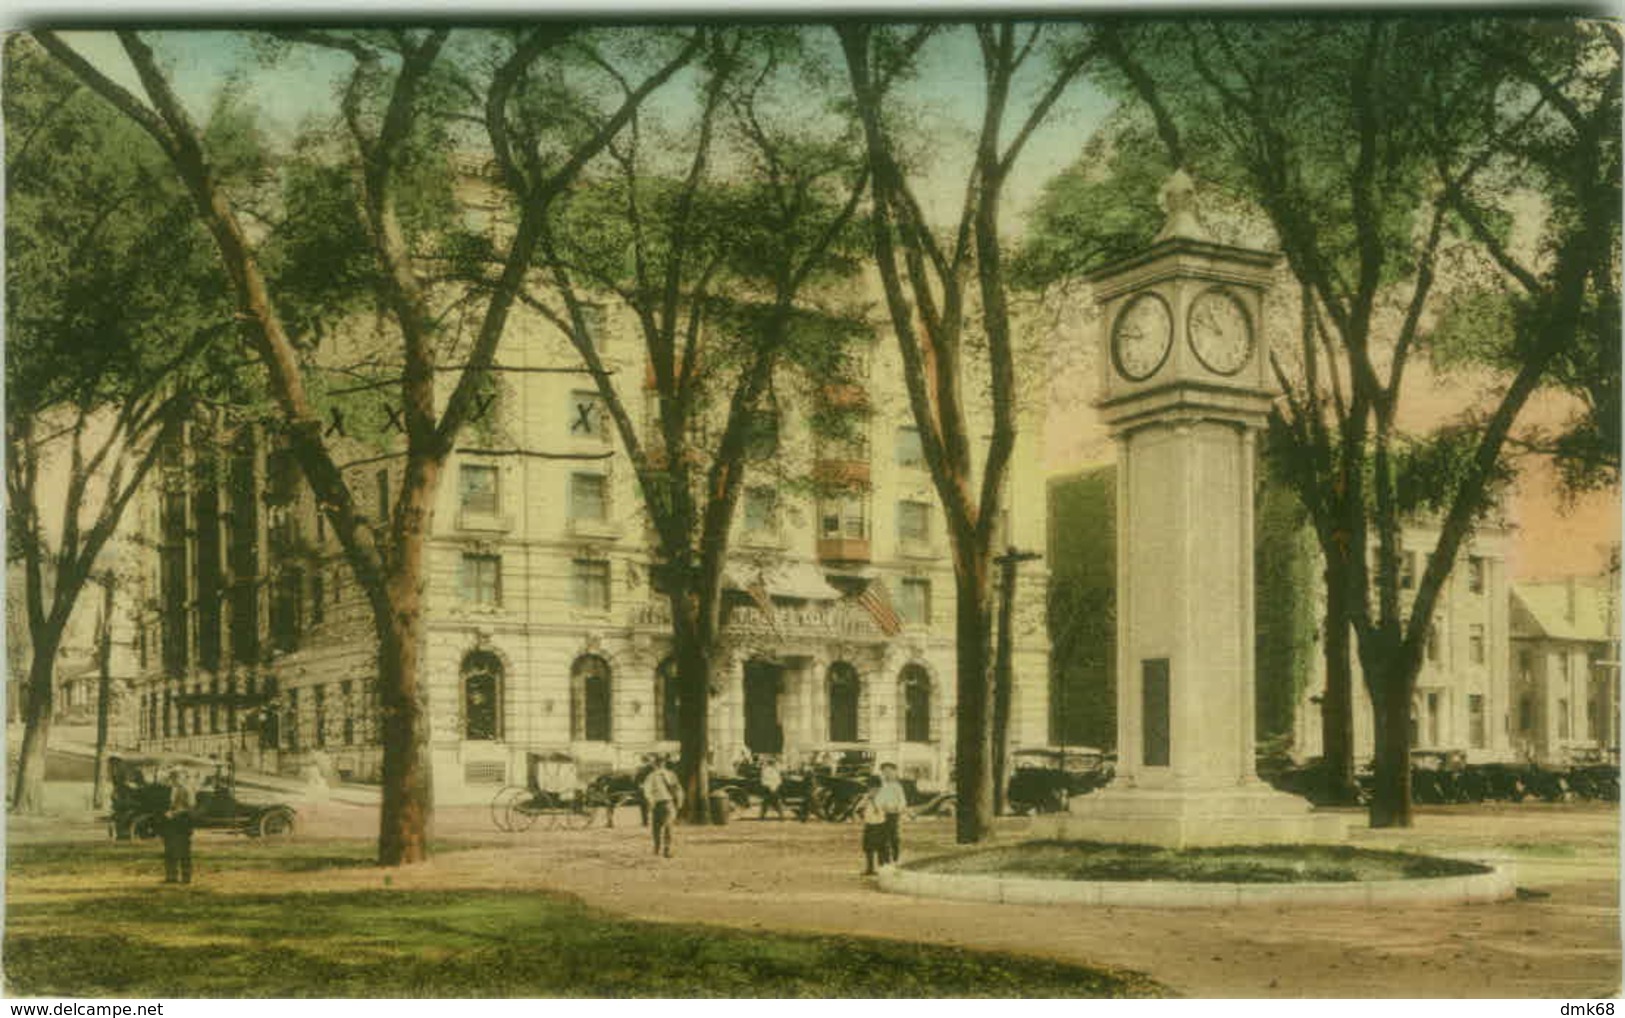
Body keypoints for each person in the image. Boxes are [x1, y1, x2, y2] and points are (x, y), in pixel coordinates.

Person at [641, 755, 683, 858]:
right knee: (663, 827)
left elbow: (647, 791)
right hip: (665, 803)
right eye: (660, 763)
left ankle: (661, 848)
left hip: (663, 803)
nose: (660, 765)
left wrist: (651, 802)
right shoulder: (667, 775)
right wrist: (679, 802)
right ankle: (662, 848)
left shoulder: (654, 776)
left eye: (660, 763)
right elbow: (678, 789)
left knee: (661, 827)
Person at [160, 768, 195, 885]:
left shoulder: (187, 790)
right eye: (173, 777)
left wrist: (174, 813)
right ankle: (171, 876)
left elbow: (190, 807)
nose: (174, 780)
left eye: (177, 777)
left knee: (184, 851)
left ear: (182, 778)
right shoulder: (171, 790)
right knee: (169, 850)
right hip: (171, 823)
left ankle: (186, 877)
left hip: (183, 823)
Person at [874, 762, 908, 864]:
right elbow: (877, 799)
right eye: (885, 772)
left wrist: (898, 808)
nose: (887, 774)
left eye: (889, 772)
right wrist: (880, 807)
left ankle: (896, 858)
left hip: (893, 814)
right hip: (881, 814)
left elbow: (902, 800)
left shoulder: (897, 786)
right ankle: (884, 861)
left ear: (894, 772)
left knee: (894, 837)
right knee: (882, 837)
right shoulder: (880, 786)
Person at [856, 775, 890, 875]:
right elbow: (858, 809)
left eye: (875, 788)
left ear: (879, 787)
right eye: (871, 787)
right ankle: (870, 868)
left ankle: (882, 868)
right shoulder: (866, 797)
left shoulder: (883, 796)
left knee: (881, 848)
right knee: (868, 848)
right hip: (869, 824)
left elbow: (886, 809)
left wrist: (875, 802)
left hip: (880, 824)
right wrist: (864, 805)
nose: (873, 790)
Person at [757, 756, 785, 820]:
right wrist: (770, 787)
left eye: (772, 762)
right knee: (768, 802)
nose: (772, 764)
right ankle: (762, 816)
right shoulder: (765, 770)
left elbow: (778, 780)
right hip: (767, 789)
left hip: (774, 789)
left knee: (774, 802)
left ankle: (781, 816)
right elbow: (764, 780)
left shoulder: (775, 770)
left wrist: (775, 787)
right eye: (771, 762)